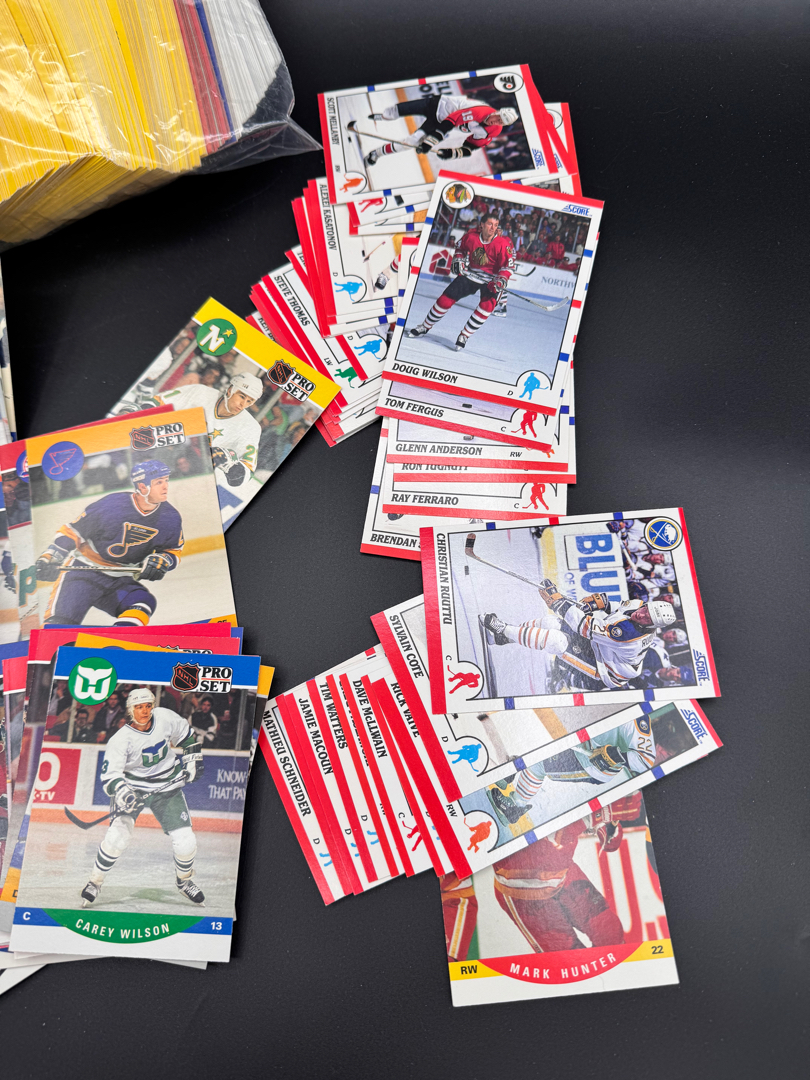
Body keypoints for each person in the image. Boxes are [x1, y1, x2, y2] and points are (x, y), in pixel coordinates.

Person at [81, 687, 205, 908]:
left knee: (186, 840)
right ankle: (95, 882)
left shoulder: (165, 717)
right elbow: (110, 777)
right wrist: (123, 793)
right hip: (133, 787)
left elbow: (187, 737)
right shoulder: (121, 739)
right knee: (117, 837)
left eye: (148, 706)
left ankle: (184, 881)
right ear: (130, 710)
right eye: (139, 707)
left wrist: (192, 759)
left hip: (168, 785)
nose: (145, 711)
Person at [35, 459, 184, 627]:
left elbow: (173, 550)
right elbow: (74, 532)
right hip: (82, 572)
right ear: (142, 487)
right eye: (159, 482)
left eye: (166, 481)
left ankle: (118, 640)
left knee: (142, 603)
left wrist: (162, 560)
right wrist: (51, 556)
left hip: (120, 579)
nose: (165, 487)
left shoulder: (171, 517)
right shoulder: (112, 504)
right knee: (58, 626)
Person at [488, 796, 642, 952]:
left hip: (560, 868)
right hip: (524, 888)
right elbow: (547, 836)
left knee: (610, 934)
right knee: (568, 959)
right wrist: (599, 815)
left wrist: (605, 824)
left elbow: (569, 802)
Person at [482, 584, 677, 692]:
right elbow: (619, 607)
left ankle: (503, 629)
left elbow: (585, 627)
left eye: (647, 618)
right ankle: (504, 637)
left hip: (605, 670)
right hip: (601, 647)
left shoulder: (629, 635)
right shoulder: (639, 605)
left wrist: (559, 603)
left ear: (653, 626)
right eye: (646, 610)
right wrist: (599, 603)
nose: (641, 614)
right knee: (550, 623)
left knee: (557, 641)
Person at [407, 212, 515, 350]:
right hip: (470, 274)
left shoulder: (503, 244)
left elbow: (508, 266)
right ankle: (424, 326)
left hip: (491, 280)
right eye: (490, 224)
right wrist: (458, 258)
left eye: (495, 225)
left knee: (487, 307)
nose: (493, 228)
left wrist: (501, 279)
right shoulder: (471, 236)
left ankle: (464, 335)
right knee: (445, 300)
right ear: (482, 225)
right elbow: (460, 248)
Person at [146, 372, 263, 489]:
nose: (243, 404)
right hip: (171, 447)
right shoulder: (201, 392)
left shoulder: (250, 427)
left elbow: (246, 473)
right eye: (242, 397)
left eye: (249, 401)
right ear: (230, 390)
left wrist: (229, 463)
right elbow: (155, 402)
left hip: (203, 473)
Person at [353, 95, 518, 167]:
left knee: (409, 143)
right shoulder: (481, 111)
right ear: (497, 112)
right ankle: (382, 116)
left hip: (438, 122)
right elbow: (451, 121)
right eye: (498, 117)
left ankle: (375, 154)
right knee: (397, 110)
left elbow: (471, 147)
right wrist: (429, 142)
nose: (496, 121)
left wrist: (451, 154)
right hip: (437, 105)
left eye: (500, 122)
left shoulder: (493, 131)